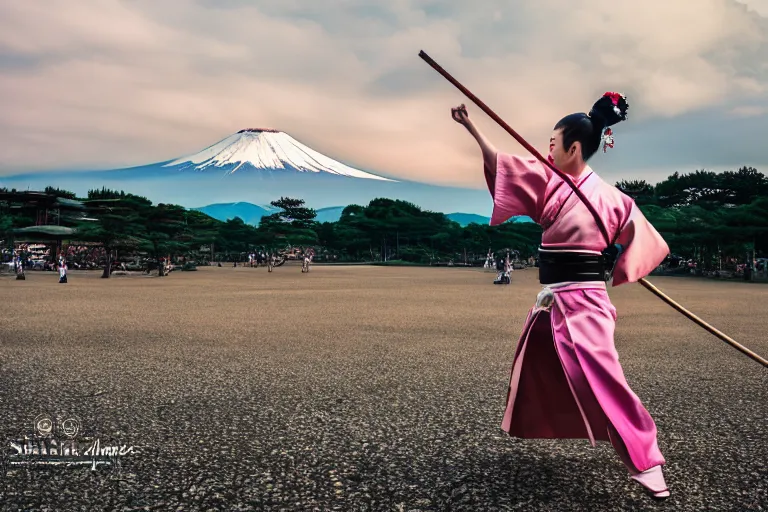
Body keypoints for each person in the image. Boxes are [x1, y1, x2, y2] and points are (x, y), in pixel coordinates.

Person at [452, 92, 671, 500]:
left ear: (573, 147)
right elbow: (504, 166)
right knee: (538, 364)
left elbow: (646, 241)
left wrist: (618, 256)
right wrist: (471, 127)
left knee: (604, 377)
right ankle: (545, 423)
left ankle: (646, 460)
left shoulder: (615, 199)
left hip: (586, 300)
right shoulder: (549, 182)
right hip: (551, 297)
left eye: (553, 143)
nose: (547, 149)